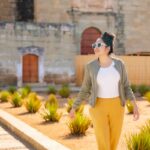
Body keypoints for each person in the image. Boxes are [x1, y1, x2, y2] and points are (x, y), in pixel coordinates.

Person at [69, 32, 140, 150]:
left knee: (114, 141)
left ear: (107, 48)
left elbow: (126, 86)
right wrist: (74, 107)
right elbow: (85, 89)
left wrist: (134, 105)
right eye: (94, 45)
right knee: (103, 141)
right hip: (98, 107)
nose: (95, 47)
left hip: (117, 106)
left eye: (99, 45)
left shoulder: (119, 64)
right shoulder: (90, 66)